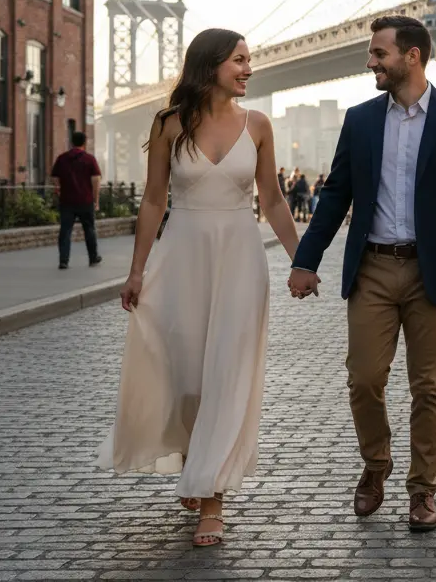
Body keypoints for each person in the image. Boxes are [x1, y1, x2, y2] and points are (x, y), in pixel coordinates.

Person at [95, 28, 303, 548]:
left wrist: (304, 260)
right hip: (181, 257)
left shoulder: (258, 125)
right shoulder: (169, 124)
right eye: (239, 60)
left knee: (226, 374)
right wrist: (137, 270)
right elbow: (152, 201)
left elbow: (273, 201)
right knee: (185, 372)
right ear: (210, 65)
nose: (248, 68)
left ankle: (212, 497)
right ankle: (195, 459)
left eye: (250, 59)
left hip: (239, 259)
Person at [287, 15, 436, 533]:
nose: (370, 61)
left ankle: (423, 492)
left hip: (434, 274)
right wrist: (305, 260)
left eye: (379, 53)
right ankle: (376, 466)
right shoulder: (359, 120)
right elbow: (335, 195)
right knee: (364, 379)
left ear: (413, 56)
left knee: (428, 387)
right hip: (374, 268)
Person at [51, 130, 103, 270]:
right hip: (85, 200)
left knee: (65, 230)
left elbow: (55, 177)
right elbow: (96, 180)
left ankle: (63, 260)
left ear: (71, 142)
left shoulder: (62, 158)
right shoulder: (89, 159)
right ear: (84, 143)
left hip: (67, 201)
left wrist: (58, 188)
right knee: (89, 229)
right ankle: (93, 257)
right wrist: (96, 200)